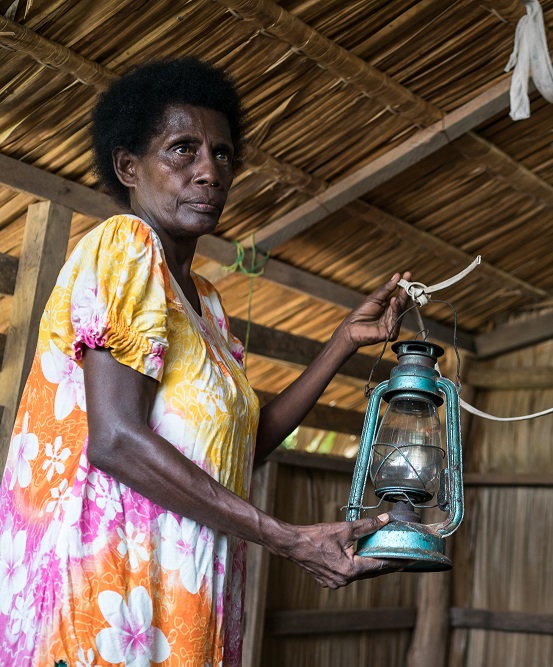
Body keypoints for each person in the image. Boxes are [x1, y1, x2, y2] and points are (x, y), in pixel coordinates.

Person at [0, 58, 410, 667]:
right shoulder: (125, 247)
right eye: (183, 150)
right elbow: (115, 439)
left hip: (187, 592)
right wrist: (286, 537)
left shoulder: (207, 306)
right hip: (109, 595)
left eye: (222, 155)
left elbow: (240, 446)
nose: (209, 172)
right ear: (128, 167)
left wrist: (344, 341)